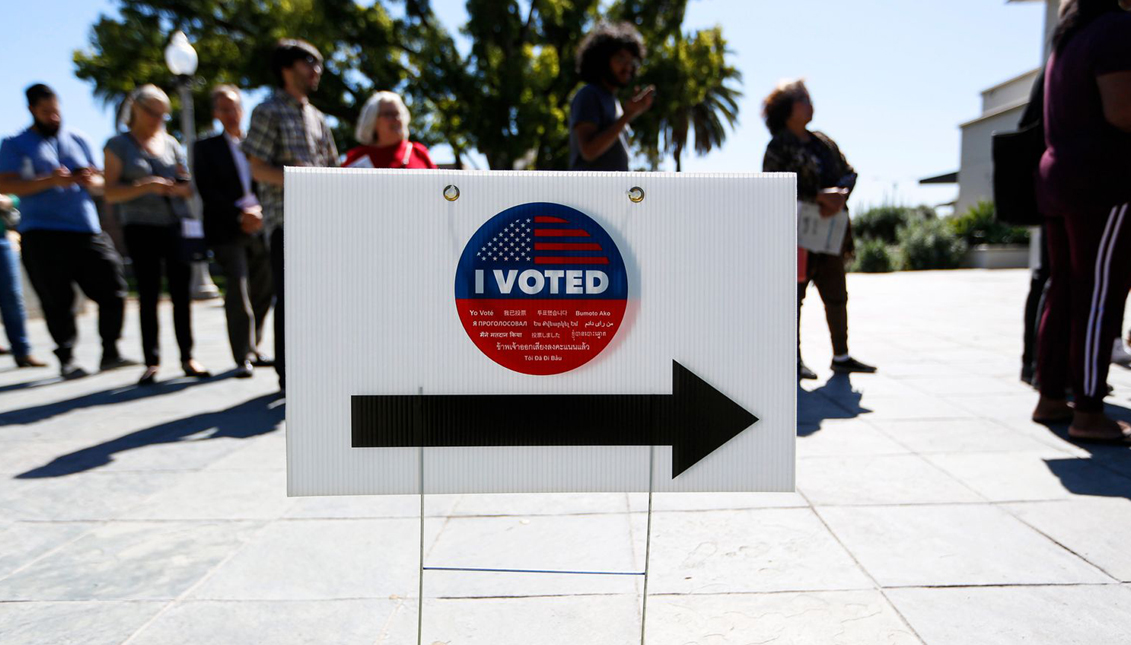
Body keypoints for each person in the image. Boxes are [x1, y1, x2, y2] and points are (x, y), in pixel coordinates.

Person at [1033, 0, 1131, 441]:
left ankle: (1052, 395)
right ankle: (1088, 412)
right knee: (1098, 295)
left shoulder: (1069, 37)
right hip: (1102, 184)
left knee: (1067, 291)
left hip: (1061, 179)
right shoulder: (1114, 29)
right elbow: (1122, 112)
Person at [0, 84, 132, 379]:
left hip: (85, 228)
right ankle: (67, 358)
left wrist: (88, 180)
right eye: (46, 112)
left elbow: (100, 184)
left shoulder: (79, 139)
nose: (54, 117)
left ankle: (110, 351)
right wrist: (49, 181)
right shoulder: (14, 144)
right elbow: (5, 185)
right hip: (42, 232)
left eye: (56, 110)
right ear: (32, 110)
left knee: (113, 286)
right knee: (57, 299)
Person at [761, 79, 877, 379]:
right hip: (797, 236)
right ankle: (792, 360)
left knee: (837, 293)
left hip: (831, 232)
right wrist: (816, 196)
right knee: (793, 297)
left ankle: (841, 356)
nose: (810, 104)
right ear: (788, 108)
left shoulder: (822, 142)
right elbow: (772, 186)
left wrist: (839, 194)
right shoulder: (778, 146)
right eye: (804, 99)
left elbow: (850, 172)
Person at [243, 38, 339, 394]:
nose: (316, 72)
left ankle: (319, 367)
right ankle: (289, 376)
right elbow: (257, 168)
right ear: (287, 68)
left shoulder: (318, 118)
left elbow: (333, 167)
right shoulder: (267, 111)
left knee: (322, 299)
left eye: (318, 65)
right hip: (286, 221)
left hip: (321, 224)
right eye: (308, 64)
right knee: (291, 299)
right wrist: (295, 175)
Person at [104, 84, 210, 385]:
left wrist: (177, 186)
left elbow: (188, 186)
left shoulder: (171, 143)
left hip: (174, 225)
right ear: (135, 108)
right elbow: (110, 192)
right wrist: (145, 187)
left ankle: (188, 356)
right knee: (149, 294)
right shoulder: (117, 144)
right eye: (153, 112)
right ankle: (152, 360)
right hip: (140, 227)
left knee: (181, 294)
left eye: (163, 114)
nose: (158, 119)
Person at [194, 85, 274, 379]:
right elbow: (208, 190)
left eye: (235, 107)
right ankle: (242, 356)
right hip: (228, 228)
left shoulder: (256, 145)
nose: (231, 114)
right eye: (224, 109)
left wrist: (261, 213)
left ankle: (254, 345)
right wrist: (240, 214)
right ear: (216, 113)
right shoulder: (205, 148)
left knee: (264, 287)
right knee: (238, 291)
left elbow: (266, 182)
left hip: (262, 225)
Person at [569, 22, 655, 171]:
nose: (628, 67)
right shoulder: (589, 94)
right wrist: (627, 116)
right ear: (602, 60)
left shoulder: (614, 102)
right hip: (588, 192)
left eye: (631, 62)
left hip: (611, 192)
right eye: (621, 59)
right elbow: (589, 151)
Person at [0, 194, 45, 367]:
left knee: (12, 296)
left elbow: (17, 195)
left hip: (2, 239)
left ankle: (22, 351)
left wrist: (8, 200)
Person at [344, 92, 437, 169]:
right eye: (388, 114)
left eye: (398, 113)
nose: (396, 119)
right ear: (373, 120)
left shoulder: (419, 153)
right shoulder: (357, 158)